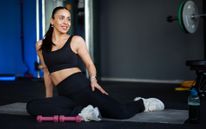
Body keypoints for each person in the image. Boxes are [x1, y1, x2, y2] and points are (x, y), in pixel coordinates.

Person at [26, 6, 164, 121]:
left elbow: (90, 64)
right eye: (61, 18)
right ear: (52, 21)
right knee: (32, 107)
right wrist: (49, 100)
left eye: (68, 19)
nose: (66, 22)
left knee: (121, 113)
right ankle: (82, 111)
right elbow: (47, 72)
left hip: (83, 89)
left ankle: (141, 103)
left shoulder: (76, 40)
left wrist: (93, 79)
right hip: (65, 96)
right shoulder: (40, 46)